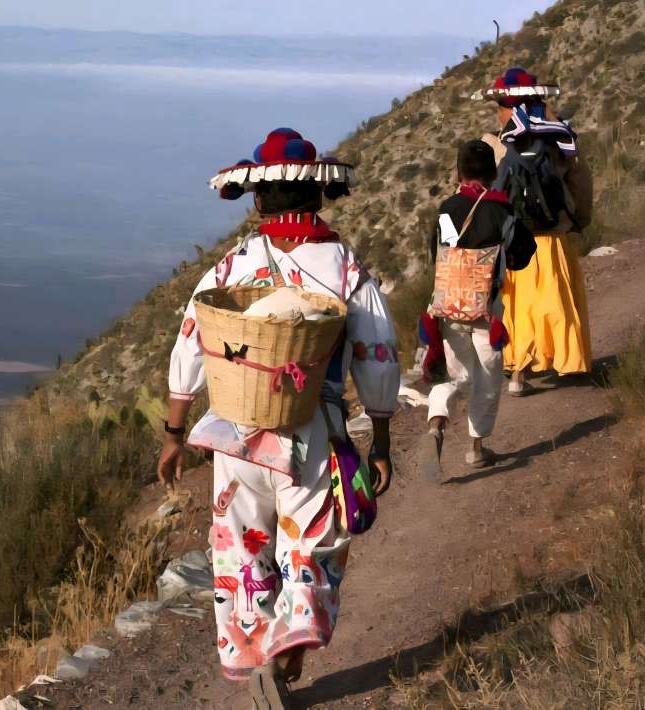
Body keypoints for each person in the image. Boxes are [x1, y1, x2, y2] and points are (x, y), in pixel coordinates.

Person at [157, 128, 400, 709]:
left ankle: (254, 646)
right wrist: (381, 436)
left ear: (259, 200)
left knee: (243, 545)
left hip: (235, 432)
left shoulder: (232, 267)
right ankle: (286, 654)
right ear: (316, 195)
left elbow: (191, 343)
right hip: (311, 430)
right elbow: (377, 354)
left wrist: (174, 433)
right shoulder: (344, 267)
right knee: (310, 545)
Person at [417, 140, 535, 480]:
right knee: (486, 378)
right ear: (493, 173)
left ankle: (436, 424)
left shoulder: (447, 208)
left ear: (459, 173)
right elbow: (522, 256)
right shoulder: (502, 210)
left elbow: (440, 253)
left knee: (454, 375)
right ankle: (476, 448)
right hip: (486, 311)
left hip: (449, 307)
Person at [479, 67, 594, 395]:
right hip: (553, 239)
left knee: (518, 306)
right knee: (555, 303)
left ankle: (518, 372)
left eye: (500, 107)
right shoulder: (561, 141)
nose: (498, 114)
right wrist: (579, 221)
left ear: (510, 108)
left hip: (515, 242)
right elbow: (581, 183)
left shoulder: (496, 146)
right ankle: (567, 360)